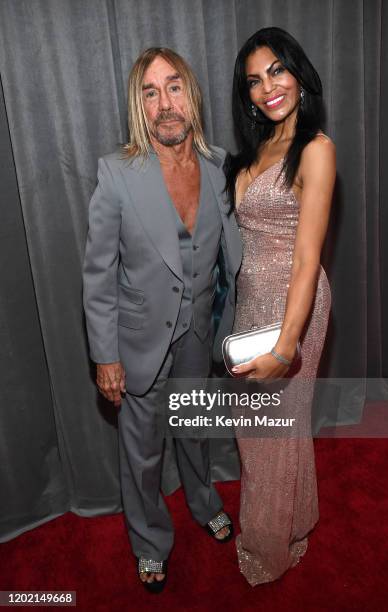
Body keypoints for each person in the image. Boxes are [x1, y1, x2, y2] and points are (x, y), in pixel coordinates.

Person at [82, 47, 242, 593]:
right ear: (138, 106)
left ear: (191, 97)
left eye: (173, 87)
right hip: (138, 341)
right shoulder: (117, 173)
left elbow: (232, 259)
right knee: (142, 453)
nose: (164, 103)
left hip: (200, 331)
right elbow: (98, 272)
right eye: (149, 93)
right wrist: (105, 356)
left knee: (195, 431)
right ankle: (150, 541)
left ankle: (202, 502)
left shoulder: (222, 166)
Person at [224, 27, 335, 586]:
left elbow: (307, 258)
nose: (267, 87)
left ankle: (266, 546)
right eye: (254, 80)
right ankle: (295, 518)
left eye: (276, 70)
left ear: (298, 71)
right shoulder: (256, 150)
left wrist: (286, 347)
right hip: (252, 301)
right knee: (266, 430)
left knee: (271, 431)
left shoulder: (315, 149)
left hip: (294, 304)